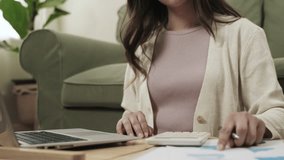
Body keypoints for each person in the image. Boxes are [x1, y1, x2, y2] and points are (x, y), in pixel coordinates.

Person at [116, 0, 284, 150]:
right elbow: (130, 110)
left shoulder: (244, 34)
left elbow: (277, 113)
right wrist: (129, 120)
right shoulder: (141, 43)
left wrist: (257, 124)